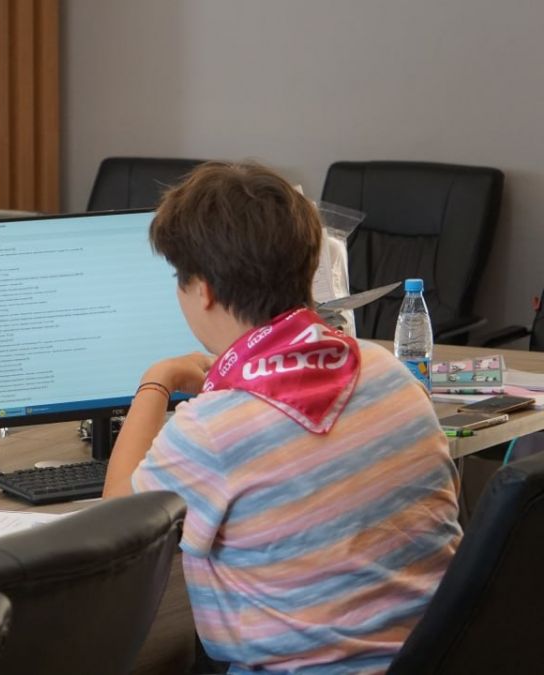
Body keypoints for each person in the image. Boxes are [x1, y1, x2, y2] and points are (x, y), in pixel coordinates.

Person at [101, 162, 461, 673]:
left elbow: (118, 528)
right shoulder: (386, 372)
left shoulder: (214, 430)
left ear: (202, 289)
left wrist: (154, 383)